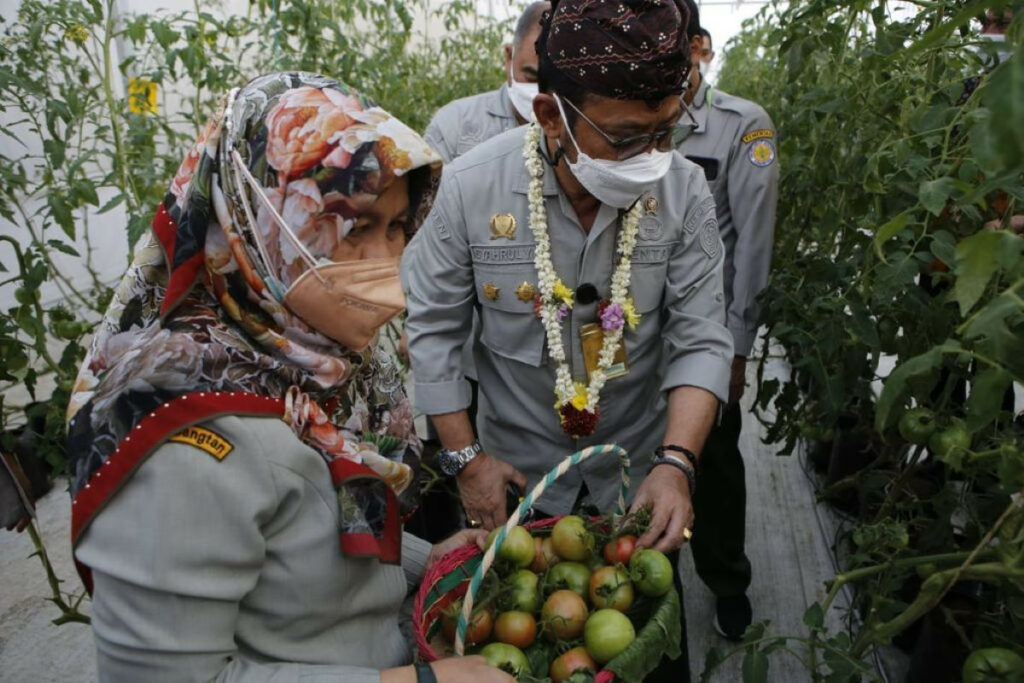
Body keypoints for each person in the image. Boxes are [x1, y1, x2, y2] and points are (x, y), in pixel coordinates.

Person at [65, 72, 512, 683]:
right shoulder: (182, 434)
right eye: (354, 228)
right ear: (265, 220)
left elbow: (303, 541)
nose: (386, 265)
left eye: (396, 228)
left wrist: (419, 562)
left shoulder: (318, 364)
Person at [403, 1, 733, 679]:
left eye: (666, 132)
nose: (652, 157)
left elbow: (703, 337)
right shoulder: (470, 187)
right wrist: (466, 459)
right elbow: (432, 330)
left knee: (641, 655)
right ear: (551, 115)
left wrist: (677, 463)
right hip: (515, 487)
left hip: (634, 490)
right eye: (625, 137)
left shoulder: (685, 192)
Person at [674, 7, 779, 642]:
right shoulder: (629, 117)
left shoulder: (742, 126)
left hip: (706, 330)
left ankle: (727, 579)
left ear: (698, 48)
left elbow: (754, 248)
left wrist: (739, 346)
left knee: (713, 461)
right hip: (632, 324)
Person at [424, 1, 550, 163]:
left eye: (552, 81)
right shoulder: (453, 124)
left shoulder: (578, 133)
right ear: (509, 57)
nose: (539, 92)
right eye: (531, 78)